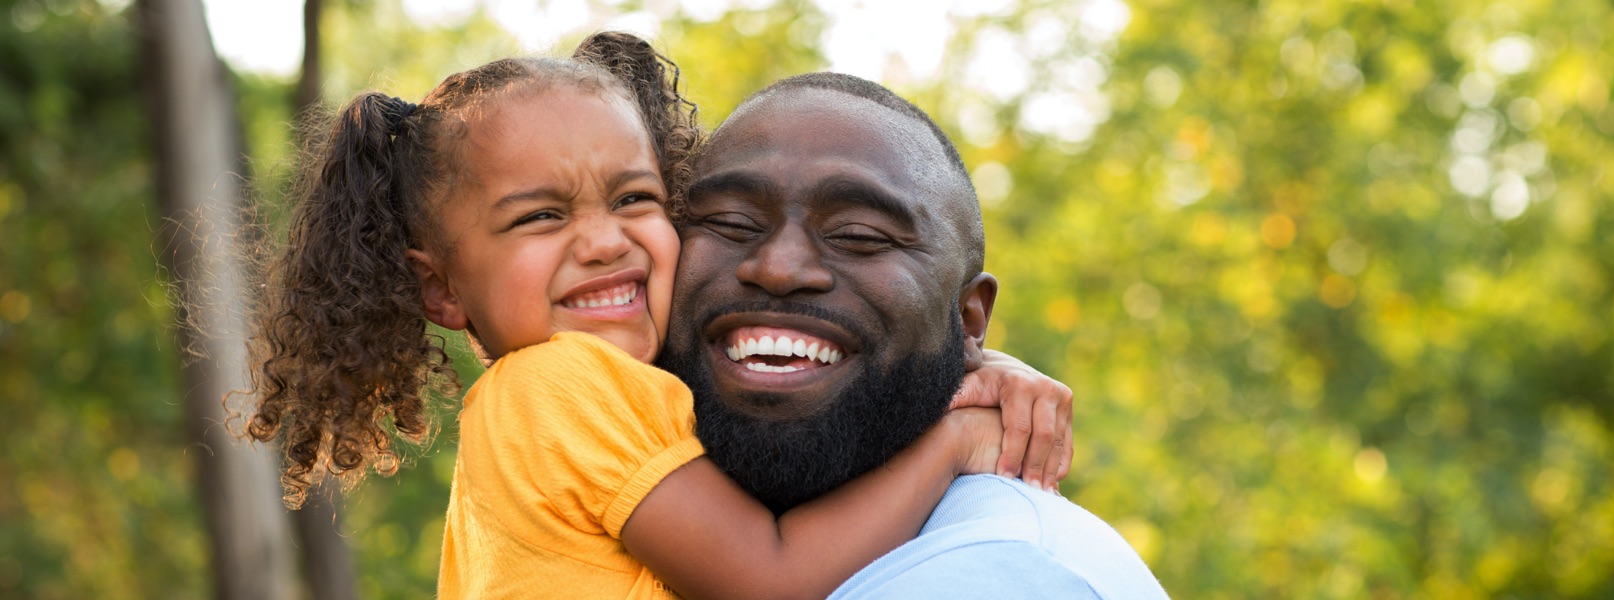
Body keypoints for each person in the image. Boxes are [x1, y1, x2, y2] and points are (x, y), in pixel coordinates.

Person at [237, 33, 1070, 599]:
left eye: (635, 198)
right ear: (442, 291)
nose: (604, 242)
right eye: (539, 216)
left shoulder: (597, 393)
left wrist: (972, 369)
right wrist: (955, 440)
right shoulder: (560, 387)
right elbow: (768, 579)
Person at [656, 72, 1169, 598]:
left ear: (969, 320)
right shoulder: (595, 468)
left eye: (859, 236)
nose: (779, 268)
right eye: (730, 222)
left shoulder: (1003, 571)